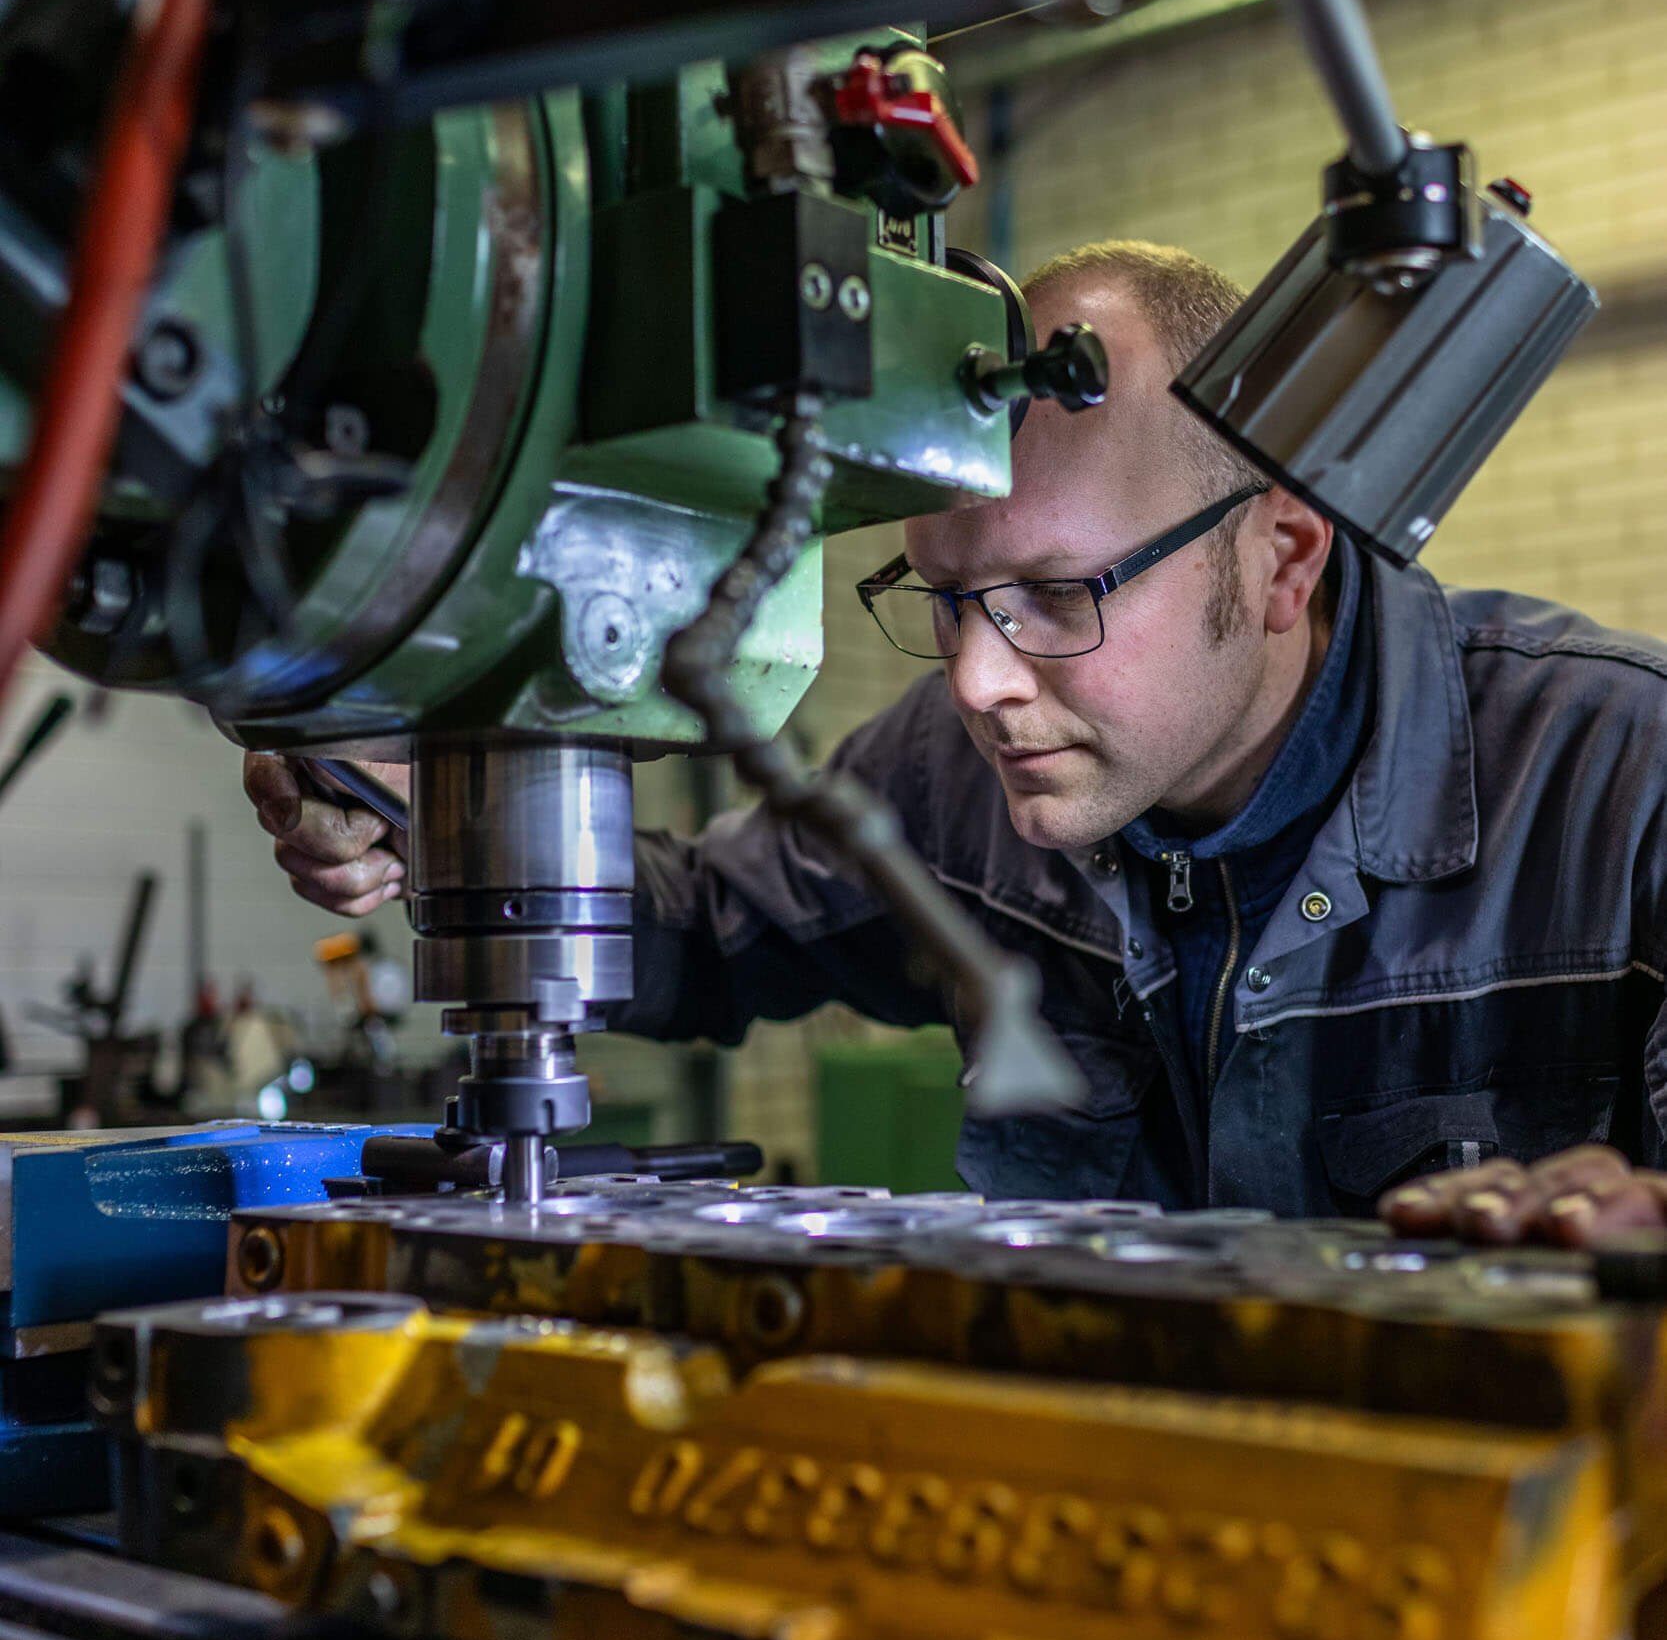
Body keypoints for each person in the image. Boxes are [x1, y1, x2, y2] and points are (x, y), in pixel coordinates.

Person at [245, 237, 1667, 1219]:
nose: (979, 681)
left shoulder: (1616, 785)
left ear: (1284, 557)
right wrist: (429, 801)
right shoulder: (948, 779)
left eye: (1056, 596)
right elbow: (696, 928)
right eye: (943, 598)